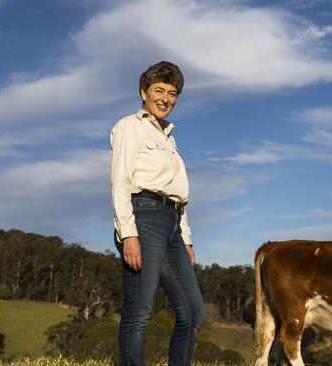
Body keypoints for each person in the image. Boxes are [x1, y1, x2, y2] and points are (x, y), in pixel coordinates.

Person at [110, 61, 205, 366]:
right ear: (144, 93)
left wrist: (186, 239)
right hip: (144, 217)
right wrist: (128, 234)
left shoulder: (170, 139)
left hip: (173, 223)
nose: (166, 98)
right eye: (159, 90)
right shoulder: (130, 126)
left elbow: (177, 194)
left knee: (192, 312)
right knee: (139, 311)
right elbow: (120, 182)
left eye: (172, 93)